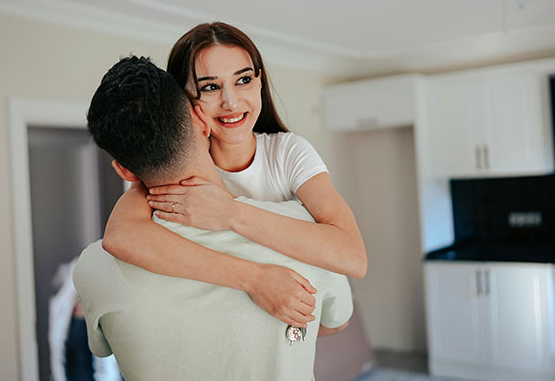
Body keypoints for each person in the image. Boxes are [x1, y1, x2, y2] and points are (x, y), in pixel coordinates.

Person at [74, 56, 353, 381]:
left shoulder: (92, 269)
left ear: (124, 171)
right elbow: (335, 322)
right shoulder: (305, 235)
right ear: (201, 120)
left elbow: (102, 349)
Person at [101, 23, 367, 327]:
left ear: (259, 83)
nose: (231, 102)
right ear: (185, 103)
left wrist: (230, 213)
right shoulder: (175, 166)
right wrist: (254, 279)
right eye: (210, 87)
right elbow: (121, 237)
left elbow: (353, 257)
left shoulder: (289, 153)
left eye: (243, 80)